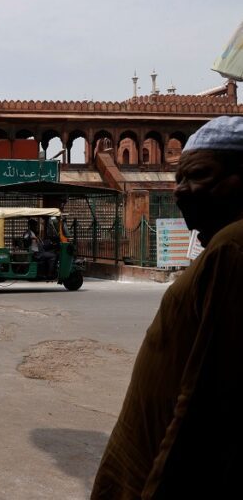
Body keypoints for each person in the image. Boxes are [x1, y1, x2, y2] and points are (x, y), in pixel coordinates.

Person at [91, 116, 243, 499]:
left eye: (200, 176)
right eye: (178, 180)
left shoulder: (233, 248)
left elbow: (206, 400)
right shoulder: (222, 245)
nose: (181, 192)